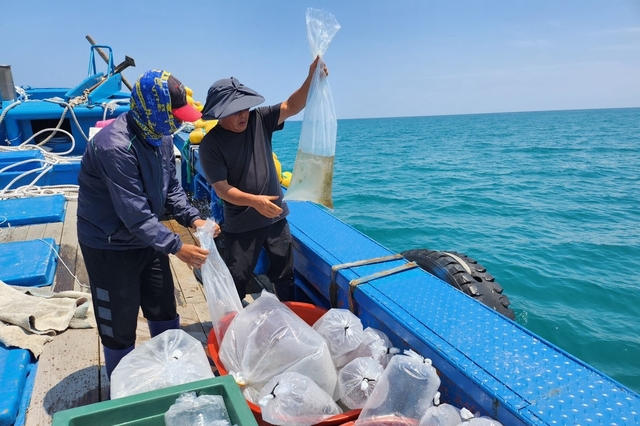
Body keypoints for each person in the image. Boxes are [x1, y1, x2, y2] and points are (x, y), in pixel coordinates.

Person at [77, 69, 219, 379]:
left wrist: (192, 218)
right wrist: (178, 247)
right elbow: (135, 214)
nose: (180, 122)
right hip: (109, 245)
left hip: (147, 237)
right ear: (153, 111)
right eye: (175, 115)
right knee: (119, 321)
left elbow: (171, 189)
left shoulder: (163, 136)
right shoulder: (114, 147)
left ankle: (168, 371)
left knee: (162, 304)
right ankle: (120, 387)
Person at [198, 56, 327, 303]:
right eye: (235, 111)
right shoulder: (210, 145)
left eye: (245, 108)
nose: (243, 115)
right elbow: (222, 189)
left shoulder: (259, 119)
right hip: (242, 222)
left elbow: (292, 105)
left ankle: (289, 313)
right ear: (220, 114)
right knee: (237, 277)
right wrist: (254, 201)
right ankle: (233, 324)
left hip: (276, 217)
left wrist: (312, 77)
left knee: (285, 273)